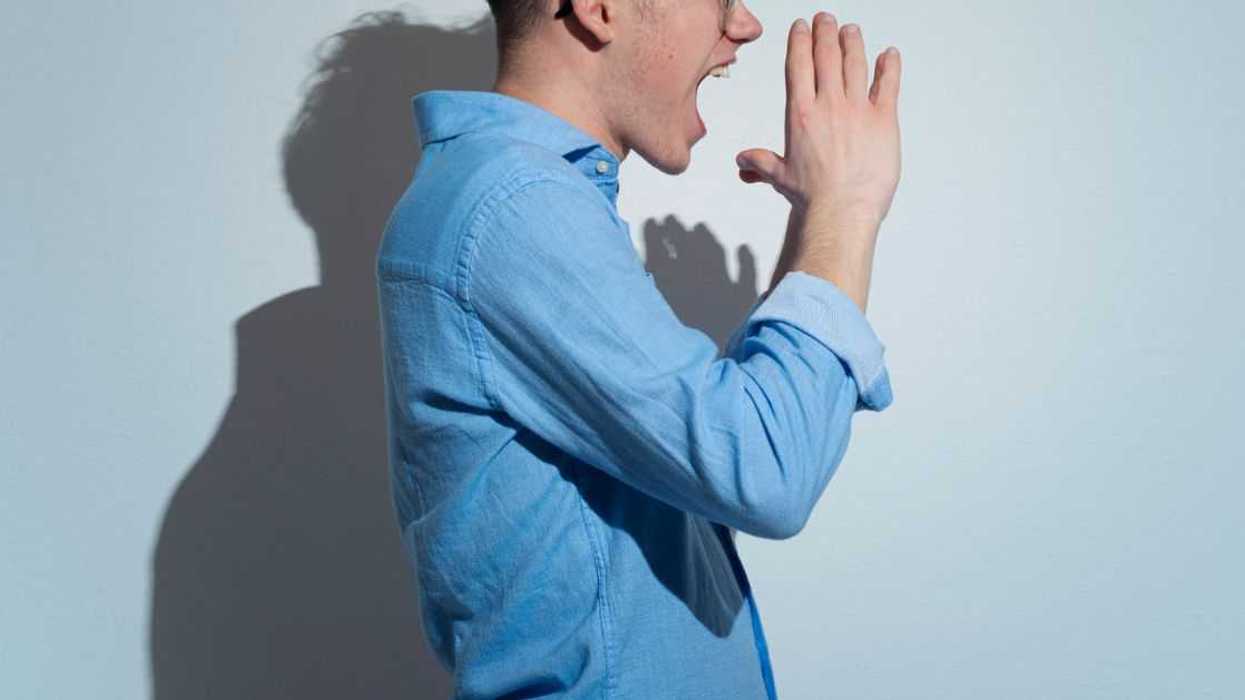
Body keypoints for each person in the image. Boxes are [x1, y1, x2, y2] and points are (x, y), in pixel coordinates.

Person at [374, 0, 903, 696]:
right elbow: (767, 471)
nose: (742, 24)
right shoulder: (513, 207)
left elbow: (706, 466)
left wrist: (815, 226)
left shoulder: (497, 196)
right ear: (599, 8)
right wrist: (847, 206)